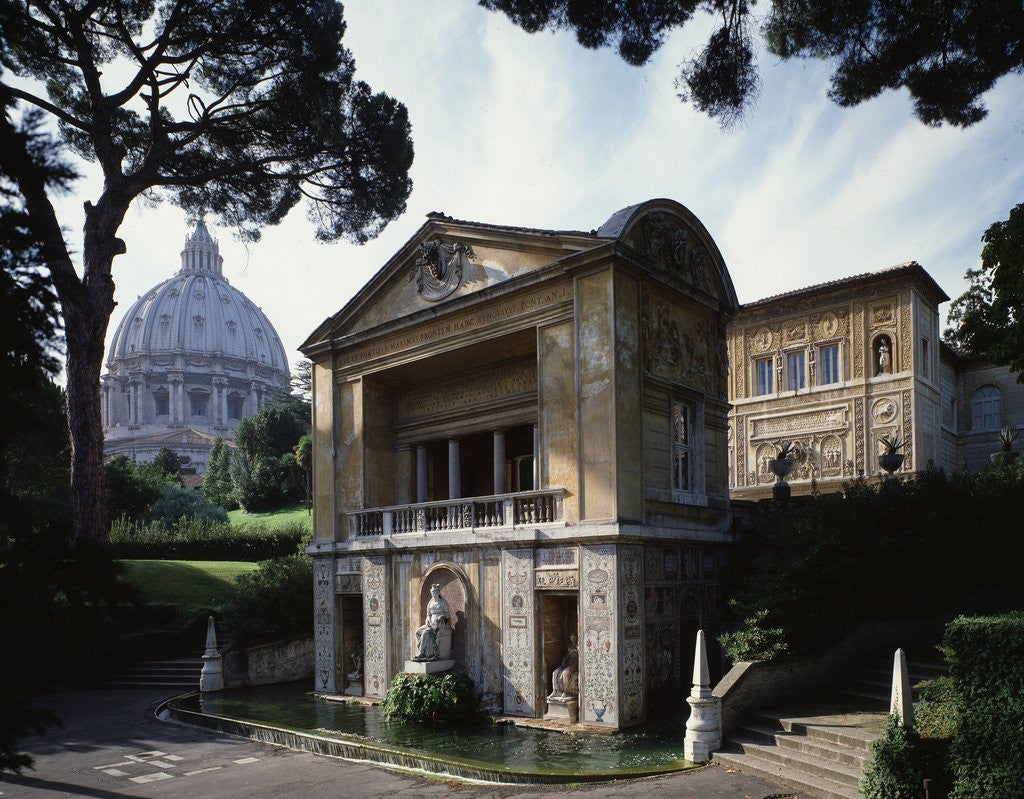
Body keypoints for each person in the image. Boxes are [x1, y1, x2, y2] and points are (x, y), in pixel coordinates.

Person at [413, 583, 451, 661]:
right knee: (417, 632)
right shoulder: (430, 603)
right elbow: (428, 614)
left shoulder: (443, 602)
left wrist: (441, 617)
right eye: (432, 593)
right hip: (430, 623)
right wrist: (428, 620)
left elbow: (447, 614)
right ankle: (427, 651)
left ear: (438, 592)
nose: (433, 594)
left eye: (434, 593)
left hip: (440, 624)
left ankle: (422, 653)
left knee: (426, 632)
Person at [548, 634, 579, 700]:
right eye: (571, 638)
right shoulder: (570, 646)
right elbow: (568, 655)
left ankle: (566, 691)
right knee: (555, 672)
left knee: (565, 673)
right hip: (569, 663)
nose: (573, 640)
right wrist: (564, 661)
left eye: (574, 638)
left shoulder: (578, 646)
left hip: (576, 664)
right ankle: (555, 691)